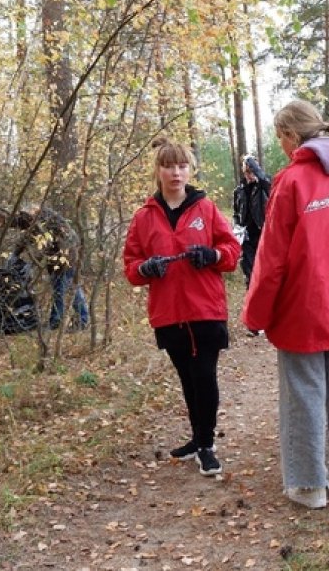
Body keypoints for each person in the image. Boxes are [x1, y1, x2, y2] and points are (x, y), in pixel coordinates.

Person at [242, 100, 329, 509]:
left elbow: (271, 258)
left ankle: (308, 485)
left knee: (303, 394)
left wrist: (256, 312)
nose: (280, 145)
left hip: (303, 308)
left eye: (280, 136)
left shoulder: (292, 181)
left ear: (290, 136)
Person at [123, 138, 241, 477]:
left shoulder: (206, 209)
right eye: (169, 166)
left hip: (205, 310)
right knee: (188, 380)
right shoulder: (144, 217)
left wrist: (213, 256)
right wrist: (146, 268)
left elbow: (231, 251)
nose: (176, 172)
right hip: (168, 314)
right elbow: (131, 265)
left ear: (190, 169)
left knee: (204, 376)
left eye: (182, 165)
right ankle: (198, 438)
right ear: (158, 171)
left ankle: (206, 444)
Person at [0, 205, 89, 330]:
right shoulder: (23, 219)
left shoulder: (28, 214)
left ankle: (58, 321)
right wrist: (15, 254)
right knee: (68, 284)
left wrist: (33, 262)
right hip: (58, 250)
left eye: (3, 223)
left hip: (65, 249)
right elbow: (28, 237)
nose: (5, 227)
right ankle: (81, 319)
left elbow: (44, 240)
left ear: (6, 216)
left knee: (61, 286)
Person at [232, 154, 271, 286]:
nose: (250, 174)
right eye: (247, 171)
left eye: (252, 170)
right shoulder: (239, 191)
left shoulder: (264, 185)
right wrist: (236, 226)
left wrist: (257, 172)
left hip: (264, 236)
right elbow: (236, 214)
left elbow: (270, 189)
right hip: (246, 238)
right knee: (250, 274)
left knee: (266, 274)